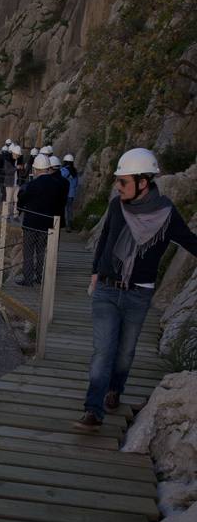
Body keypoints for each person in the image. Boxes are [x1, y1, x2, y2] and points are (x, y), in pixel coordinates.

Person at [75, 147, 197, 432]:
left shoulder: (166, 214)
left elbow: (191, 242)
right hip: (106, 289)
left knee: (125, 352)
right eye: (118, 181)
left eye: (123, 181)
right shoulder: (117, 205)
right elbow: (105, 238)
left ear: (143, 182)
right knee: (103, 351)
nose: (117, 187)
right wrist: (95, 272)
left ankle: (114, 390)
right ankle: (93, 410)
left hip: (138, 293)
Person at [15, 153, 68, 285]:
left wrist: (20, 207)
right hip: (47, 224)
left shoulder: (32, 185)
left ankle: (28, 279)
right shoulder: (57, 185)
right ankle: (40, 277)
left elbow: (22, 200)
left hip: (31, 224)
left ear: (35, 169)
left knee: (28, 252)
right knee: (41, 251)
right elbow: (61, 204)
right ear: (48, 168)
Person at [61, 153, 79, 231]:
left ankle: (64, 225)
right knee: (69, 209)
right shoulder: (74, 172)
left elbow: (59, 180)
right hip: (71, 194)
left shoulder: (63, 170)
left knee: (63, 209)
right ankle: (70, 225)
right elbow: (76, 183)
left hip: (64, 193)